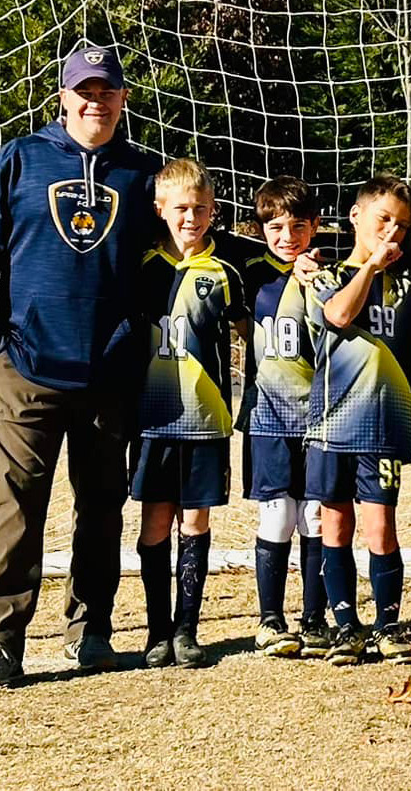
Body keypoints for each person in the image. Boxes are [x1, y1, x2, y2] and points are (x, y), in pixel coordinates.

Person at [0, 45, 159, 685]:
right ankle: (3, 639)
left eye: (108, 91)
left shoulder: (140, 173)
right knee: (12, 507)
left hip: (108, 372)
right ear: (62, 96)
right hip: (27, 366)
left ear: (123, 99)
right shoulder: (20, 158)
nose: (96, 101)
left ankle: (90, 630)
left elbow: (189, 236)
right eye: (84, 90)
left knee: (101, 505)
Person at [130, 159, 247, 669]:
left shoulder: (226, 270)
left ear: (213, 210)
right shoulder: (140, 266)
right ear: (160, 209)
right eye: (181, 208)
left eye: (201, 208)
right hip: (153, 418)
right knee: (155, 521)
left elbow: (249, 330)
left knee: (195, 520)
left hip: (207, 419)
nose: (191, 217)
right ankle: (157, 630)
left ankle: (186, 631)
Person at [306, 175, 411, 665]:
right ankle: (346, 625)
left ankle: (387, 625)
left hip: (384, 425)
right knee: (335, 525)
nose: (392, 231)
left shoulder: (410, 286)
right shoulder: (323, 277)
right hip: (332, 425)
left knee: (381, 529)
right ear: (356, 218)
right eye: (383, 220)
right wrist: (370, 266)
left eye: (401, 225)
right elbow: (338, 315)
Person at [236, 176, 330, 658]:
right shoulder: (248, 271)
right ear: (261, 228)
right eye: (275, 225)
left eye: (298, 225)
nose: (287, 236)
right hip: (267, 417)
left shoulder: (325, 278)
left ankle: (315, 618)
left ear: (315, 226)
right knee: (278, 514)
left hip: (318, 418)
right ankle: (271, 620)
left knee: (315, 514)